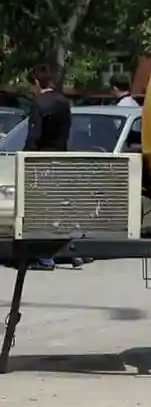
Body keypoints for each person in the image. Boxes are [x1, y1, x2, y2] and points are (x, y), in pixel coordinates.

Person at [24, 64, 72, 271]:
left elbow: (34, 135)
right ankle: (62, 249)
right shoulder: (64, 102)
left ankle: (44, 257)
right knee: (56, 207)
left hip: (41, 161)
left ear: (35, 82)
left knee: (39, 209)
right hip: (60, 157)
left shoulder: (39, 104)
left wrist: (25, 158)